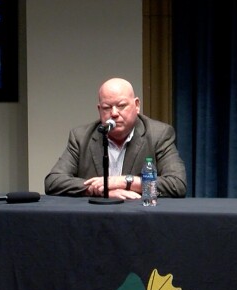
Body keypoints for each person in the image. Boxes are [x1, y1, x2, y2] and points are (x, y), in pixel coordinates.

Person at [45, 77, 187, 199]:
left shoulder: (159, 134)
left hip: (139, 218)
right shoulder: (81, 137)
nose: (114, 113)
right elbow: (53, 182)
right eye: (107, 107)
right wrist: (101, 190)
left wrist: (124, 182)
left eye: (121, 106)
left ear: (137, 105)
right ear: (99, 110)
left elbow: (177, 184)